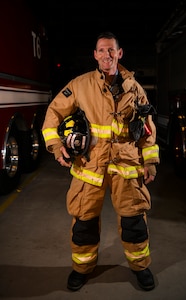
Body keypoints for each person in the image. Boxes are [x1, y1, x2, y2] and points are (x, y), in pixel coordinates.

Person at [42, 31, 160, 292]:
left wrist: (150, 161)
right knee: (84, 222)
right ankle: (82, 268)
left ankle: (141, 267)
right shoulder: (81, 84)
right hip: (90, 166)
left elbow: (147, 128)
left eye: (111, 50)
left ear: (120, 53)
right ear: (95, 55)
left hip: (127, 165)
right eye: (101, 50)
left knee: (134, 223)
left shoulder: (135, 88)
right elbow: (53, 112)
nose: (106, 55)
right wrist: (56, 145)